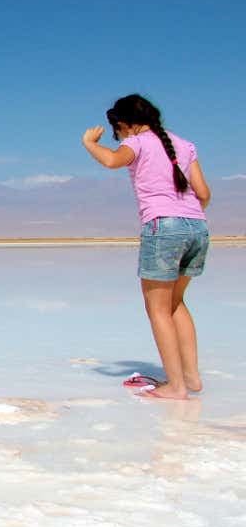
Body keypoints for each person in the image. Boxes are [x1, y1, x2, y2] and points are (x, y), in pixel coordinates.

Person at [82, 94, 211, 400]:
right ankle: (191, 378)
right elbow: (203, 193)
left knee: (158, 311)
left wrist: (90, 143)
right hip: (198, 226)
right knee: (175, 303)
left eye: (119, 131)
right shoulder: (185, 144)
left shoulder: (138, 142)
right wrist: (187, 214)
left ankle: (176, 387)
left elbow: (113, 160)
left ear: (125, 124)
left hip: (163, 227)